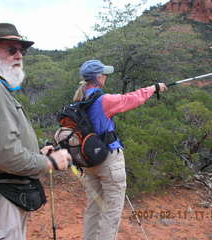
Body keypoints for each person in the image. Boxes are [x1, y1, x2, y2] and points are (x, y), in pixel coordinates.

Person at [0, 23, 72, 240]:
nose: (19, 55)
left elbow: (1, 145)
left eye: (22, 50)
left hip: (4, 195)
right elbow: (6, 158)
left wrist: (37, 154)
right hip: (0, 199)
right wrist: (50, 162)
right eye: (11, 49)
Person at [74, 59, 167, 240]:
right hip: (109, 161)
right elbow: (131, 99)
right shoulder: (104, 100)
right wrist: (153, 88)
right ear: (98, 78)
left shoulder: (79, 99)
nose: (106, 77)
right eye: (104, 74)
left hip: (89, 162)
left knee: (93, 209)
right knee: (111, 213)